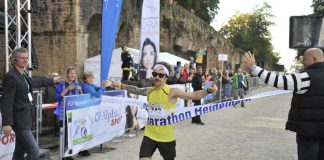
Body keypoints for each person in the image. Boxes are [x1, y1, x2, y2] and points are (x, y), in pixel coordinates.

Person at [109, 62, 217, 160]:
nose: (157, 77)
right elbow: (135, 89)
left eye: (161, 75)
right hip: (149, 135)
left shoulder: (172, 91)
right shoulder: (149, 91)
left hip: (166, 137)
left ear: (166, 77)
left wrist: (208, 91)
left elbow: (192, 95)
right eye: (155, 74)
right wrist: (119, 85)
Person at [243, 48, 324, 160]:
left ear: (314, 58)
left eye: (305, 59)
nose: (303, 62)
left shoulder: (305, 77)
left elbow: (277, 81)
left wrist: (253, 67)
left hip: (308, 131)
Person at [1, 47, 62, 160]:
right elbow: (6, 102)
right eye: (22, 58)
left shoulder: (22, 74)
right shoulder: (11, 76)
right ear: (15, 60)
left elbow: (34, 81)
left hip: (26, 119)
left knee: (20, 149)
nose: (25, 60)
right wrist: (6, 123)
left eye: (27, 58)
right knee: (33, 150)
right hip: (19, 122)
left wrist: (52, 80)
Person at [54, 67, 88, 159]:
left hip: (75, 113)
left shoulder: (77, 84)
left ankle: (70, 152)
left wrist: (80, 90)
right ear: (67, 74)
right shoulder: (61, 85)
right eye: (71, 73)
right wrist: (67, 89)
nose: (73, 75)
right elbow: (57, 98)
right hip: (64, 112)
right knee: (65, 134)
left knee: (73, 134)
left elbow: (81, 99)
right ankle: (64, 155)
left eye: (74, 73)